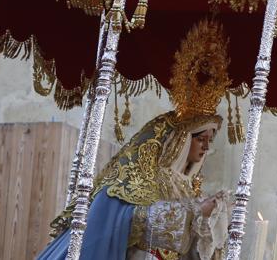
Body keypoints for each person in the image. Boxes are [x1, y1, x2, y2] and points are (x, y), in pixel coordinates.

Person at [38, 20, 233, 259]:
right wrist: (194, 213)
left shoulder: (187, 188)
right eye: (200, 138)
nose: (206, 147)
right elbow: (124, 220)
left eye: (209, 141)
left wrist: (213, 222)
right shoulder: (136, 177)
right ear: (179, 140)